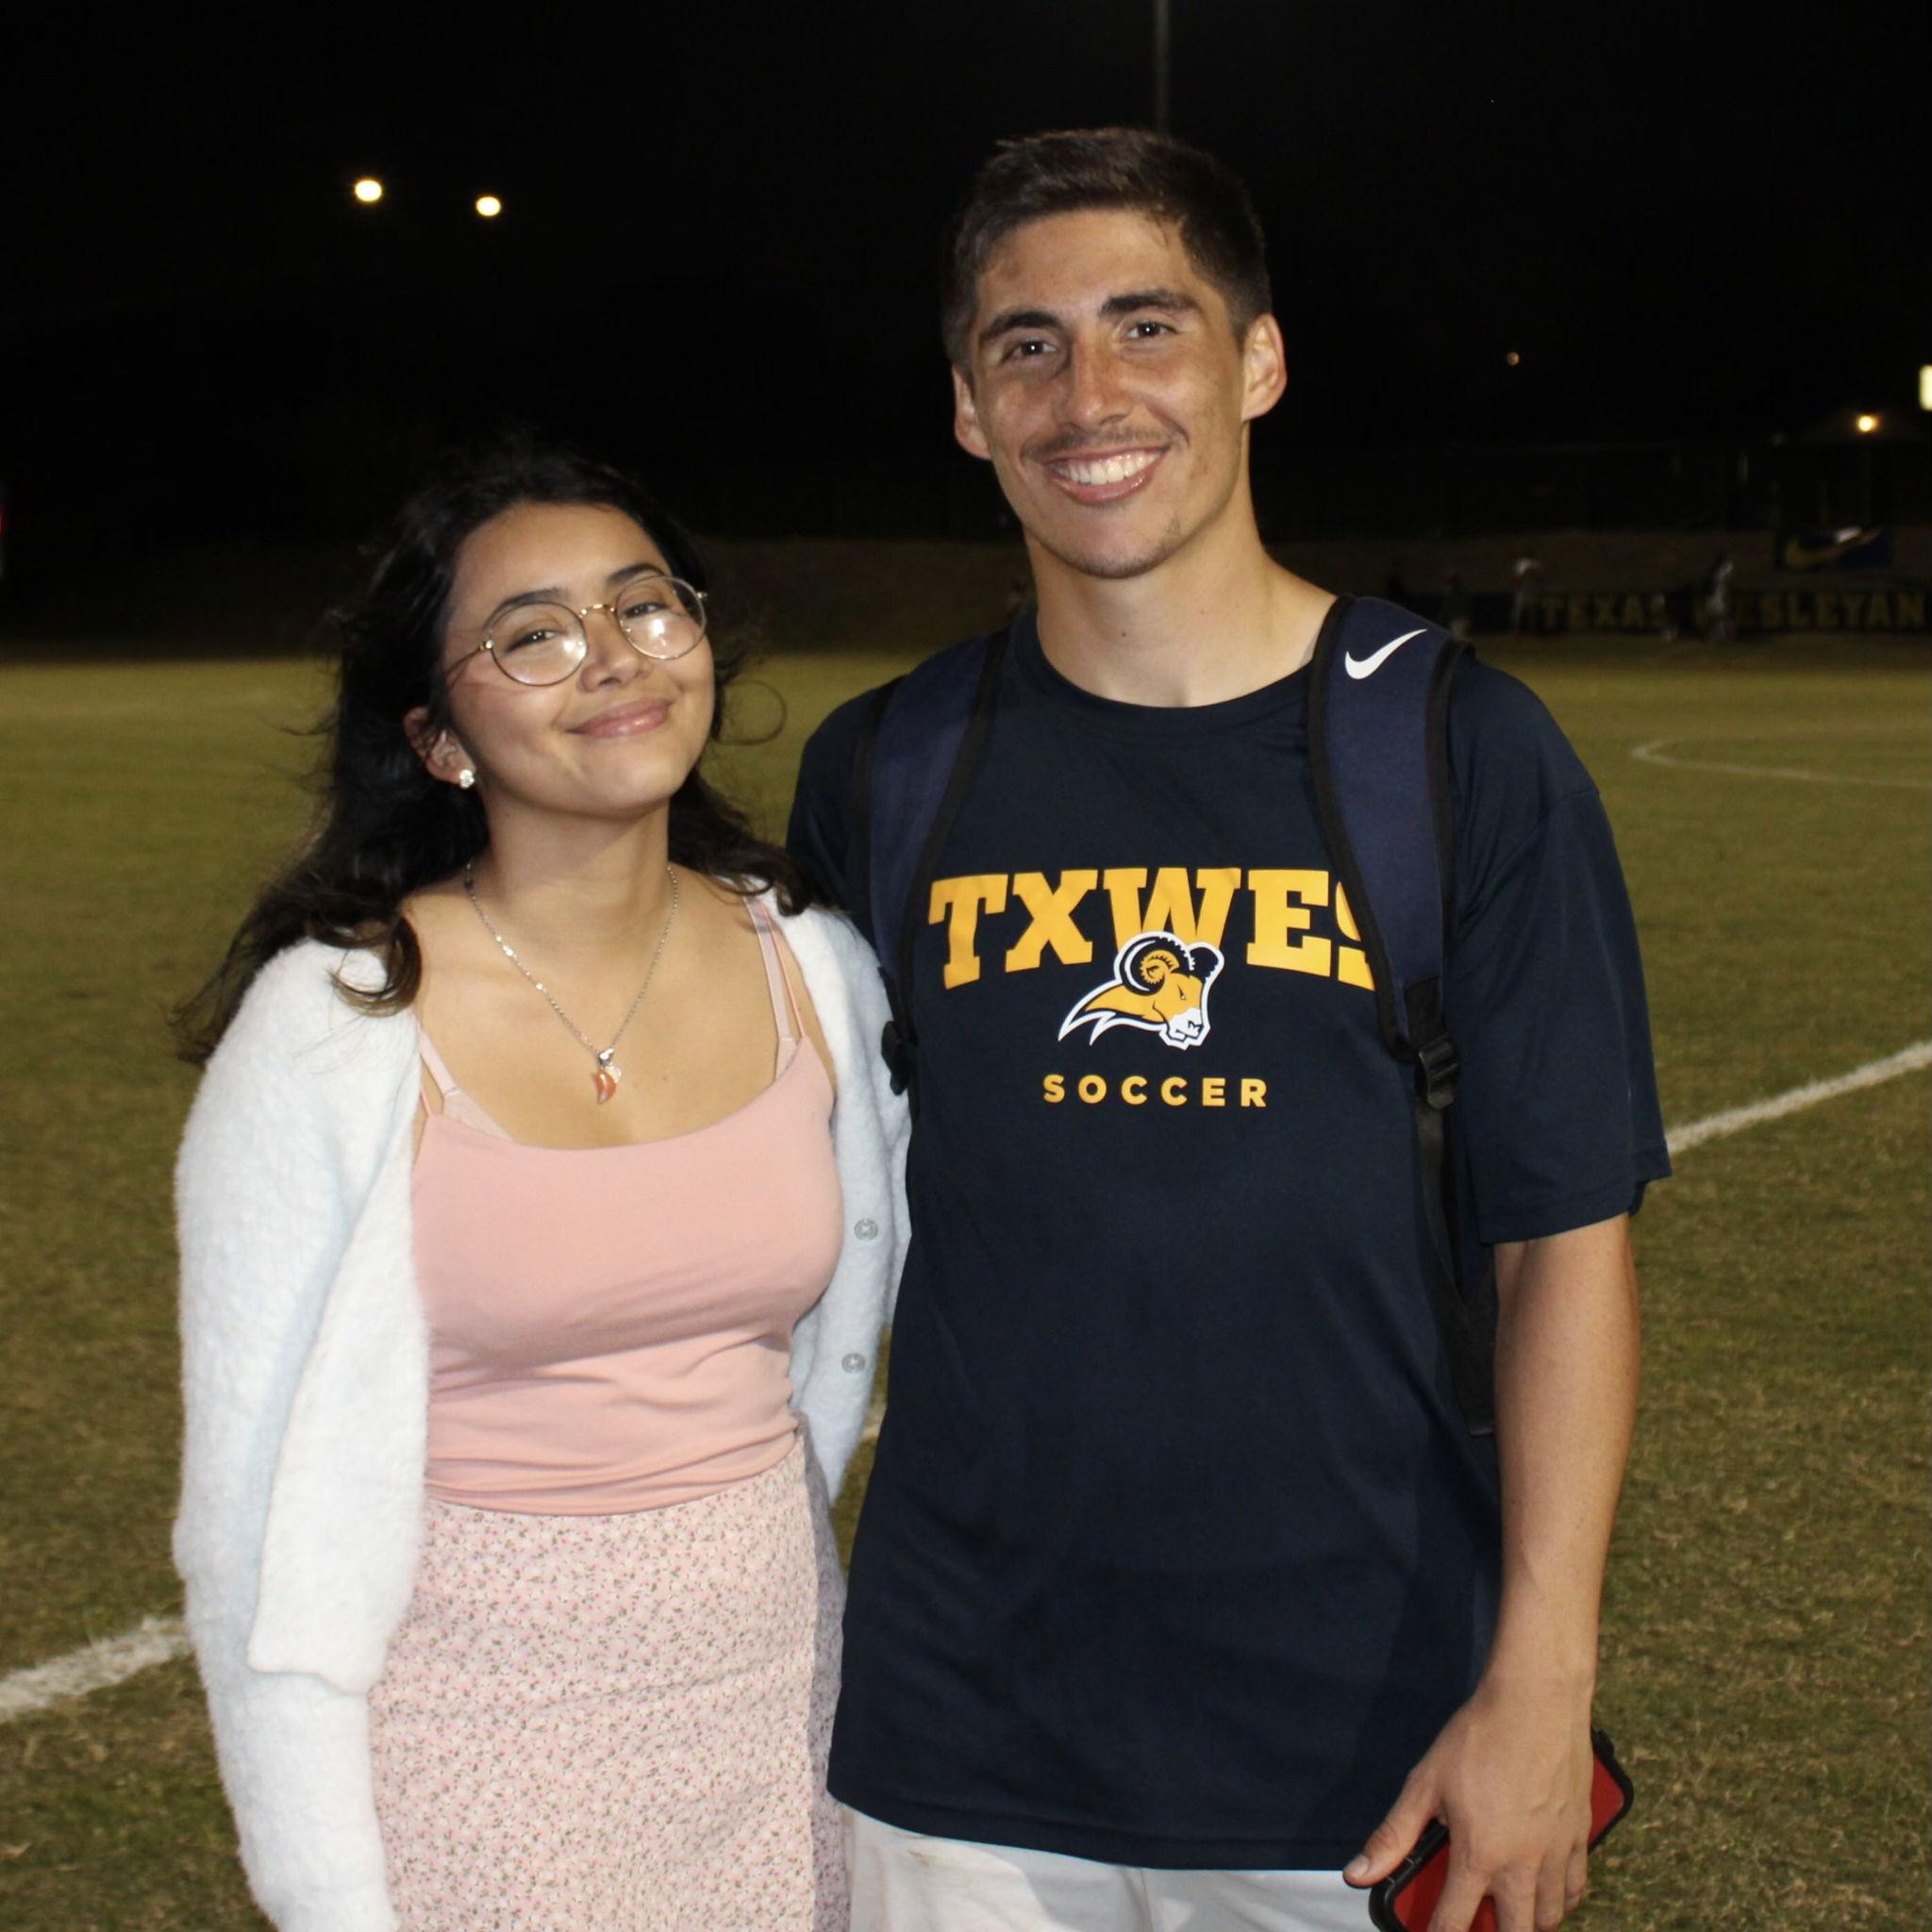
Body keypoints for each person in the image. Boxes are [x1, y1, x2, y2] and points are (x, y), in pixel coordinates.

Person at [788, 129, 1667, 1932]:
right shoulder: (886, 767)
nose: (1086, 393)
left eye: (1147, 327)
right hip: (959, 1740)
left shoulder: (1455, 752)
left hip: (1364, 1737)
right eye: (1025, 345)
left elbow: (1563, 1253)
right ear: (967, 405)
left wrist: (1542, 1676)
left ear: (1258, 362)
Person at [172, 442, 908, 1932]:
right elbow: (244, 1508)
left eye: (645, 607)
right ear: (441, 738)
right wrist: (323, 1883)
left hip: (776, 1711)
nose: (613, 661)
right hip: (465, 1731)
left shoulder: (815, 963)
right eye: (535, 635)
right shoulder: (336, 1023)